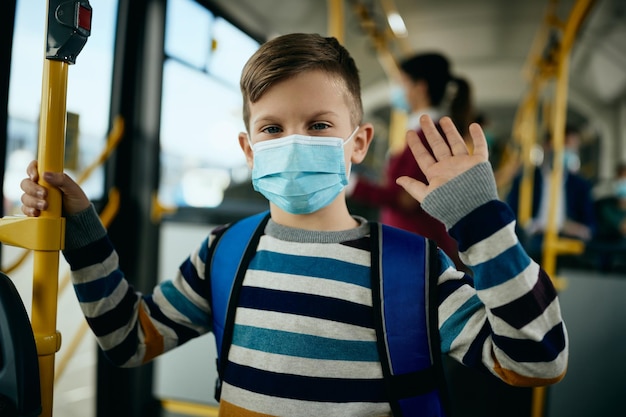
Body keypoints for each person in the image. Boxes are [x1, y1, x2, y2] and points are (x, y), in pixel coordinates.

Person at [21, 33, 567, 416]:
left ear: (359, 144)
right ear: (249, 147)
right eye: (273, 127)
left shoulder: (414, 269)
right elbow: (127, 340)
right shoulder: (222, 255)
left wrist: (481, 222)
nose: (293, 142)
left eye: (319, 124)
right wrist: (85, 234)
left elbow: (536, 362)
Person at [348, 52, 472, 270]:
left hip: (418, 246)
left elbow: (407, 199)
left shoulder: (428, 135)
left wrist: (353, 186)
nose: (396, 90)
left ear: (420, 87)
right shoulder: (422, 132)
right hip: (413, 243)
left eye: (401, 83)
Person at [507, 125, 596, 263]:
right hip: (534, 237)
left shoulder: (580, 185)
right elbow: (511, 213)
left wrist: (579, 229)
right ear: (547, 145)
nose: (570, 151)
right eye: (566, 144)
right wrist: (530, 226)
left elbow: (590, 224)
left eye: (573, 147)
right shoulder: (526, 180)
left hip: (566, 237)